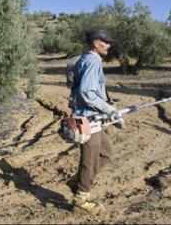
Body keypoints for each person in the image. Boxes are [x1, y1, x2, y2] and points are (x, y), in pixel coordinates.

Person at [70, 29, 117, 215]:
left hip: (94, 117)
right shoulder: (93, 60)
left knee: (105, 153)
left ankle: (77, 181)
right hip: (89, 119)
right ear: (96, 43)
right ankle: (81, 199)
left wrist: (106, 108)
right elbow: (87, 92)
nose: (109, 45)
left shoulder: (86, 59)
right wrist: (108, 109)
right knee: (89, 161)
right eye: (106, 42)